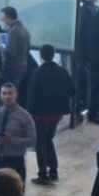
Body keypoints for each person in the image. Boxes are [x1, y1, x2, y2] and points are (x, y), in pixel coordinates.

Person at [26, 44, 75, 185]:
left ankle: (43, 175)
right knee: (48, 139)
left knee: (40, 143)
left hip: (41, 114)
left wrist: (29, 113)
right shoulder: (62, 71)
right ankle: (53, 171)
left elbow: (32, 95)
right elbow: (72, 90)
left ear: (41, 56)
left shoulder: (38, 72)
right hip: (57, 114)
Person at [0, 83, 36, 183]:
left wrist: (12, 140)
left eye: (10, 93)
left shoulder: (24, 116)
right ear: (0, 96)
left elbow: (32, 140)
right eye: (4, 93)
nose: (7, 96)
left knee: (14, 192)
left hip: (14, 161)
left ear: (16, 95)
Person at [0, 6, 31, 90]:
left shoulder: (13, 31)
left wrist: (1, 48)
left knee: (9, 90)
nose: (2, 20)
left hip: (12, 67)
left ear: (8, 17)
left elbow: (11, 52)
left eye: (3, 17)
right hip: (22, 65)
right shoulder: (24, 29)